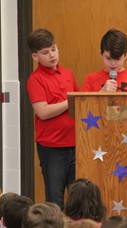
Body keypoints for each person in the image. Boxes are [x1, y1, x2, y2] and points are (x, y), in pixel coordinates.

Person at [27, 28, 80, 210]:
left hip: (75, 144)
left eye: (54, 49)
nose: (52, 55)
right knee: (55, 200)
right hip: (52, 147)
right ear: (35, 57)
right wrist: (69, 102)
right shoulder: (35, 79)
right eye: (45, 52)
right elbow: (43, 112)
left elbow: (79, 104)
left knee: (78, 199)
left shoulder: (67, 74)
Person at [81, 28, 127, 92]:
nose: (113, 64)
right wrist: (101, 93)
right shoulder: (90, 80)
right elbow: (83, 105)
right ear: (101, 54)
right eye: (108, 58)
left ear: (125, 55)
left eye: (117, 58)